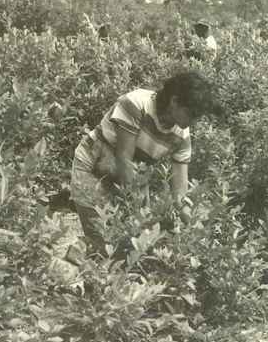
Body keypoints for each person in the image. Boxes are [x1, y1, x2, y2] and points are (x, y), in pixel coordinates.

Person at [69, 70, 216, 258]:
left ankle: (79, 251)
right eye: (191, 114)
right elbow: (124, 159)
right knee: (104, 244)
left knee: (127, 246)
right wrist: (140, 215)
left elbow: (179, 193)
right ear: (174, 101)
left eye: (198, 117)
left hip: (127, 180)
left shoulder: (182, 138)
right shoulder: (136, 104)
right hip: (93, 168)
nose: (194, 122)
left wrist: (193, 226)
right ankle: (84, 263)